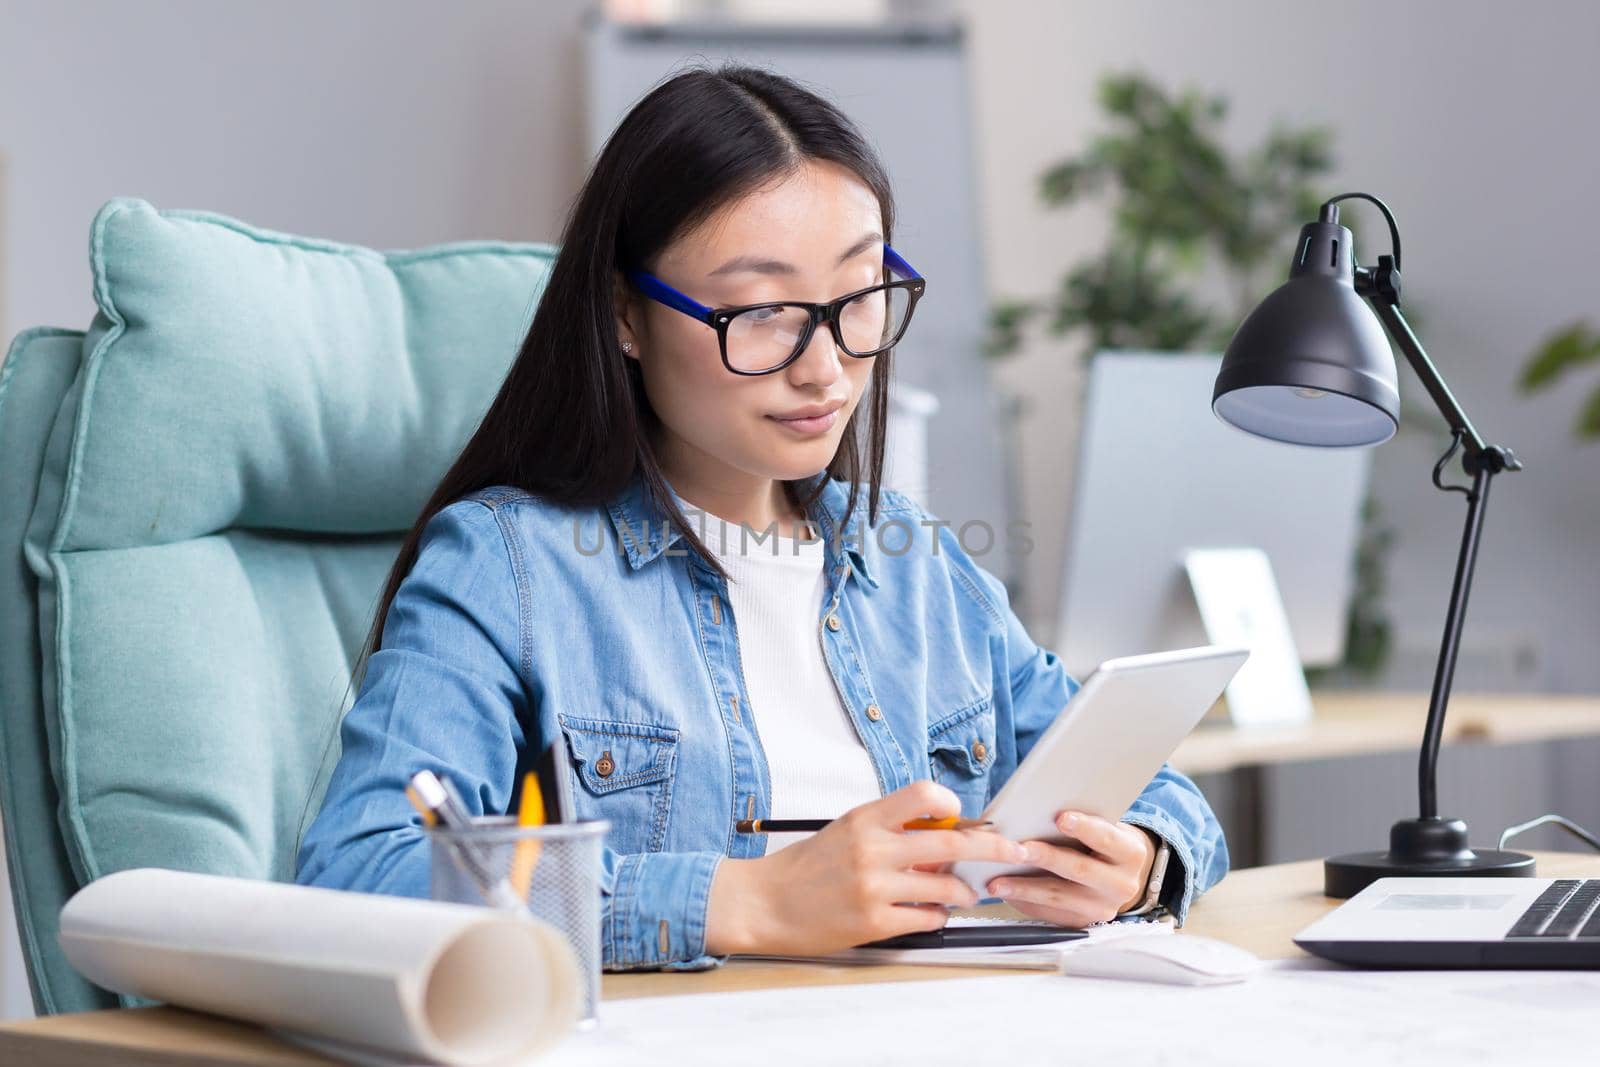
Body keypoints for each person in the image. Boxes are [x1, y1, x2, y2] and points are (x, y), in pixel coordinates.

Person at [294, 63, 1229, 971]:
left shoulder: (916, 565)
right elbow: (361, 873)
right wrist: (747, 900)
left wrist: (1140, 860)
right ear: (627, 314)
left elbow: (1154, 787)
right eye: (764, 311)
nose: (825, 366)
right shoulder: (510, 565)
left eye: (859, 298)